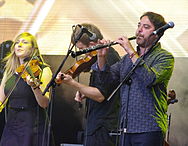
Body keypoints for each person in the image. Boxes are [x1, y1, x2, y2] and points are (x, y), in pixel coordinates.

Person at [94, 12, 174, 146]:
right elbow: (105, 82)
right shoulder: (126, 60)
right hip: (126, 128)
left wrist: (130, 51)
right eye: (139, 25)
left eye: (146, 27)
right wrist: (101, 57)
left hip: (149, 128)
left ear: (156, 34)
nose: (139, 30)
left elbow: (149, 79)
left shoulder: (164, 57)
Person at [57, 23, 121, 146]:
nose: (83, 54)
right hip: (96, 124)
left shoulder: (108, 57)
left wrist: (73, 83)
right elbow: (104, 88)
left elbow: (100, 95)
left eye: (82, 50)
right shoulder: (98, 58)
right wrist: (85, 93)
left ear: (92, 45)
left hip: (104, 126)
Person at [0, 32, 52, 146]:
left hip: (33, 124)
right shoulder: (10, 72)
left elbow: (44, 103)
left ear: (33, 48)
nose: (19, 45)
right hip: (13, 124)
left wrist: (34, 86)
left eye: (24, 42)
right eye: (17, 43)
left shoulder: (43, 70)